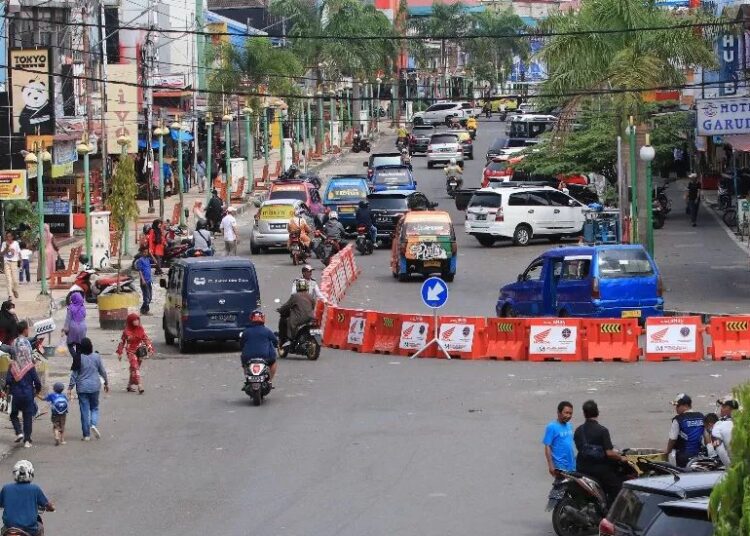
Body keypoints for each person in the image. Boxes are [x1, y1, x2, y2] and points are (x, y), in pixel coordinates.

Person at [574, 400, 626, 506]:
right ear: (597, 412)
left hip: (581, 468)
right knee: (618, 487)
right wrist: (621, 458)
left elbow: (579, 448)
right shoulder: (602, 431)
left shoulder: (578, 430)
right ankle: (612, 513)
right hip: (600, 471)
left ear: (584, 413)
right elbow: (609, 453)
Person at [5, 321, 41, 448]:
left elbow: (8, 381)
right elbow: (37, 381)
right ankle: (27, 440)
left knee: (13, 414)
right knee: (27, 416)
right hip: (28, 394)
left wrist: (6, 389)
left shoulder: (12, 366)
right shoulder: (30, 367)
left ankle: (18, 432)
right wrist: (37, 390)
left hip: (15, 395)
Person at [68, 337, 108, 441]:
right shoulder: (97, 357)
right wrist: (106, 382)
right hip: (95, 386)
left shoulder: (78, 358)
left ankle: (86, 435)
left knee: (84, 410)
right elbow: (102, 371)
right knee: (94, 408)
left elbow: (74, 375)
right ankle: (93, 424)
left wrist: (70, 388)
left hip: (82, 388)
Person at [0, 460, 55, 536]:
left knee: (3, 530)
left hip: (9, 529)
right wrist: (51, 508)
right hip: (30, 529)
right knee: (40, 527)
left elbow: (1, 504)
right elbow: (47, 504)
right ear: (31, 473)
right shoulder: (35, 489)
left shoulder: (6, 488)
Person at [116, 313, 154, 394]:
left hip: (140, 352)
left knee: (134, 369)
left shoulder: (140, 329)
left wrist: (150, 348)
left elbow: (146, 338)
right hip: (130, 352)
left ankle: (129, 385)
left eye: (137, 320)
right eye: (134, 320)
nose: (137, 322)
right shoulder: (126, 331)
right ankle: (140, 386)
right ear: (130, 321)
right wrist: (119, 352)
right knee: (135, 367)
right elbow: (122, 342)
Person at [666, 393, 705, 468]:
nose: (676, 408)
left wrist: (667, 451)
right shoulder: (701, 416)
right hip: (699, 455)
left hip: (683, 457)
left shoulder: (678, 419)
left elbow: (672, 439)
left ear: (686, 406)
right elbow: (706, 436)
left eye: (678, 406)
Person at [240, 310, 278, 383]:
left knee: (245, 365)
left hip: (248, 357)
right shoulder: (267, 331)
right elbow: (275, 341)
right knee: (273, 362)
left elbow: (241, 344)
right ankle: (269, 380)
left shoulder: (246, 332)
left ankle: (248, 378)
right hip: (264, 357)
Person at [277, 279, 315, 348]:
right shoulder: (310, 296)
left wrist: (280, 310)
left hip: (300, 318)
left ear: (298, 287)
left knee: (289, 322)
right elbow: (313, 306)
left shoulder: (295, 296)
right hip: (310, 318)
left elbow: (287, 305)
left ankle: (291, 339)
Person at [543, 401, 576, 476]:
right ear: (559, 412)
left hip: (571, 464)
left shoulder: (569, 426)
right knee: (562, 486)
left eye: (570, 413)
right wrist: (551, 465)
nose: (568, 416)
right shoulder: (551, 427)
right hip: (560, 465)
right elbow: (547, 446)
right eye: (566, 413)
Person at [708, 396, 738, 466]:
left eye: (724, 407)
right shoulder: (744, 422)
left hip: (732, 465)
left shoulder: (719, 426)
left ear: (731, 409)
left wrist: (730, 467)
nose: (721, 409)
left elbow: (720, 451)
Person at [62, 292, 87, 371]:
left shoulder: (70, 308)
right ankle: (76, 364)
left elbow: (68, 320)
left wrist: (65, 329)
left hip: (73, 328)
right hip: (83, 327)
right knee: (79, 346)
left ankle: (76, 360)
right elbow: (84, 316)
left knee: (70, 345)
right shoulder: (83, 307)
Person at [1, 231, 20, 300]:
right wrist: (6, 248)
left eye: (9, 236)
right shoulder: (4, 243)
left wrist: (21, 261)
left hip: (14, 262)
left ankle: (14, 290)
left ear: (12, 237)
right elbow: (1, 254)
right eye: (7, 236)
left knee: (15, 280)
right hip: (6, 263)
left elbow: (18, 253)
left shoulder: (16, 243)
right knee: (8, 279)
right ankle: (10, 295)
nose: (8, 238)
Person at [134, 246, 153, 315]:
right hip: (144, 281)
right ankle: (145, 310)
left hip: (149, 280)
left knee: (150, 297)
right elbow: (140, 271)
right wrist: (143, 280)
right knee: (146, 297)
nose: (146, 253)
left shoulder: (148, 259)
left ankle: (143, 309)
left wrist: (151, 254)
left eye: (147, 252)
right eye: (144, 252)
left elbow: (156, 262)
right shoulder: (140, 260)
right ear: (142, 253)